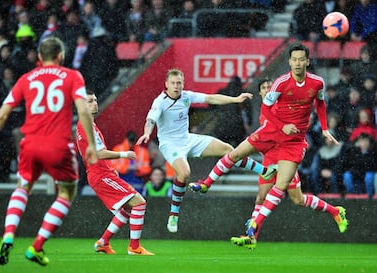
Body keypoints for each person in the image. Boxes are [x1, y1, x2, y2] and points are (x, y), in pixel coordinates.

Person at [189, 43, 347, 249]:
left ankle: (334, 211)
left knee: (292, 197)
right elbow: (267, 108)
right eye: (294, 59)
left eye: (302, 59)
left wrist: (324, 128)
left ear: (307, 61)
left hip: (292, 143)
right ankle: (207, 185)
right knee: (241, 162)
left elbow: (320, 103)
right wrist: (282, 128)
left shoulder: (316, 83)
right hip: (272, 141)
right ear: (289, 62)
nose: (298, 63)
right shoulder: (278, 88)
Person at [0, 37, 98, 266]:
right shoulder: (73, 76)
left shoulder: (26, 79)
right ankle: (36, 246)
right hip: (58, 145)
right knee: (65, 193)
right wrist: (92, 145)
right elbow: (83, 110)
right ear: (60, 56)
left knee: (23, 187)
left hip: (30, 144)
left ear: (40, 57)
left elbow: (3, 114)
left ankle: (8, 235)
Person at [136, 68, 277, 233]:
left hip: (188, 139)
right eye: (173, 83)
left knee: (228, 150)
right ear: (166, 84)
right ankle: (174, 214)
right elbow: (150, 120)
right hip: (170, 144)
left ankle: (263, 171)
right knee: (184, 173)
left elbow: (211, 98)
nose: (176, 86)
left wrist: (235, 99)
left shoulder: (186, 96)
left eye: (179, 83)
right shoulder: (160, 101)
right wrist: (146, 133)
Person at [229, 78, 348, 248]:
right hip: (271, 160)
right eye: (264, 88)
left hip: (286, 159)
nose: (268, 89)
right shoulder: (265, 113)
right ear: (260, 93)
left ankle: (336, 211)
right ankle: (252, 237)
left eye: (270, 87)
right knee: (261, 197)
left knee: (297, 200)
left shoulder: (283, 106)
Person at [76, 90, 154, 255]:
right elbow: (99, 153)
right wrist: (124, 154)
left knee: (126, 208)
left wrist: (111, 169)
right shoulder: (86, 126)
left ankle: (103, 242)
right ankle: (134, 248)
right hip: (99, 175)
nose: (94, 103)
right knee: (139, 202)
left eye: (95, 100)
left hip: (103, 173)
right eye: (89, 101)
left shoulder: (88, 125)